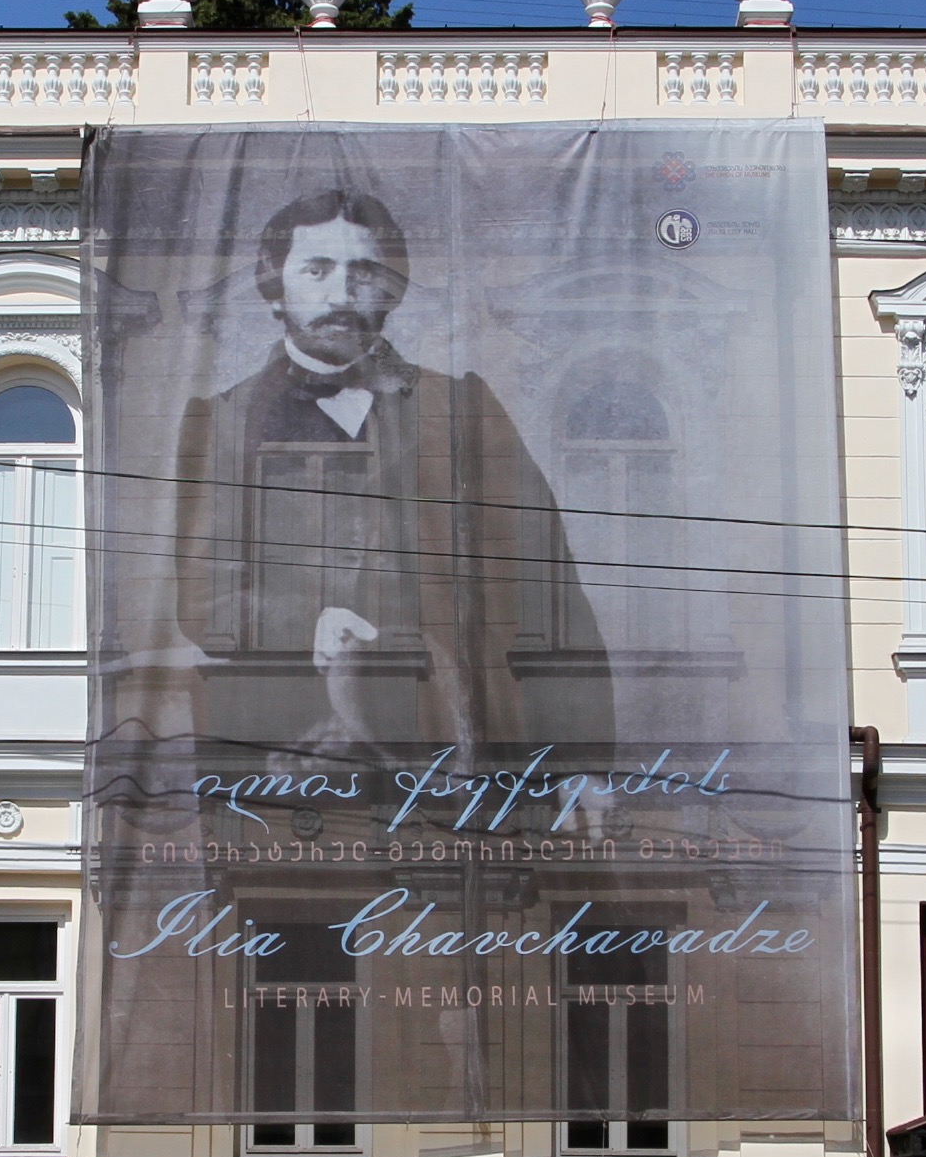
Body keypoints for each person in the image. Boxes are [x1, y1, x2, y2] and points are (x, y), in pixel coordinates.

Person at [172, 187, 606, 768]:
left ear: (392, 291)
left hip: (459, 749)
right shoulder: (223, 421)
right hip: (292, 753)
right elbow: (201, 594)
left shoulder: (463, 410)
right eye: (317, 269)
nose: (341, 294)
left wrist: (584, 764)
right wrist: (307, 622)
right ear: (274, 289)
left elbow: (550, 590)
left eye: (364, 271)